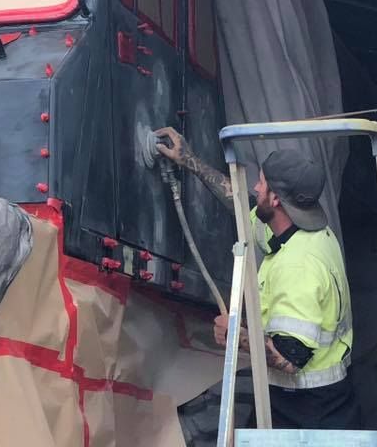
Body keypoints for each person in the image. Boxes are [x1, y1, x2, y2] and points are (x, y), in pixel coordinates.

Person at [154, 127, 359, 429]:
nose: (256, 187)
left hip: (309, 413)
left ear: (275, 199)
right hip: (309, 399)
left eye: (261, 183)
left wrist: (236, 335)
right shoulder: (304, 231)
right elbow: (243, 206)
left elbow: (290, 359)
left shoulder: (299, 267)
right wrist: (190, 161)